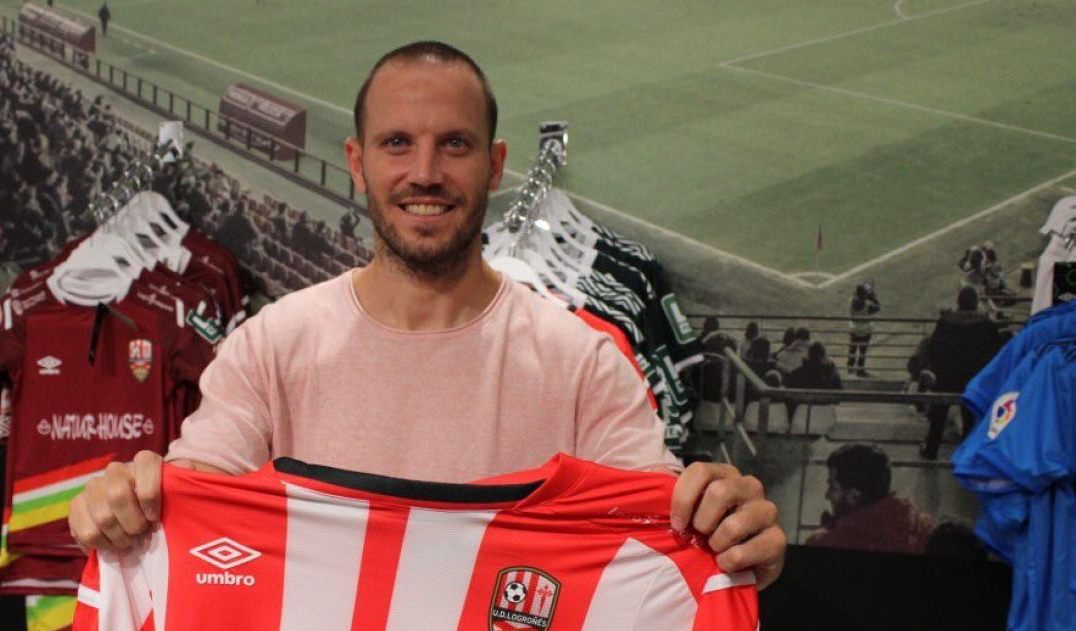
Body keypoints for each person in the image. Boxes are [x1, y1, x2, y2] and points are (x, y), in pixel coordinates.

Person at [68, 41, 786, 588]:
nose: (425, 173)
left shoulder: (583, 363)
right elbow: (191, 506)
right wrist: (124, 503)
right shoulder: (271, 347)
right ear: (356, 161)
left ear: (496, 165)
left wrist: (728, 527)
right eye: (397, 144)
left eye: (455, 145)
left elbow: (662, 530)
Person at [918, 287, 1003, 459]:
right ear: (975, 303)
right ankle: (967, 454)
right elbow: (994, 354)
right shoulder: (987, 325)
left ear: (959, 302)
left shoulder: (944, 322)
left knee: (938, 416)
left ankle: (931, 450)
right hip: (974, 379)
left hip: (946, 378)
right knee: (970, 418)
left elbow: (935, 350)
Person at [806, 444, 933, 554]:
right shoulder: (922, 530)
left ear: (854, 496)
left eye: (833, 487)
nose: (827, 495)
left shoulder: (826, 543)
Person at [847, 281, 880, 375]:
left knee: (852, 349)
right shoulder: (867, 306)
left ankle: (850, 367)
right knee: (862, 351)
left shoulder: (851, 301)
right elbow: (878, 307)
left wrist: (865, 295)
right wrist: (873, 297)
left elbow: (855, 295)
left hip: (854, 329)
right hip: (865, 331)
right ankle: (860, 370)